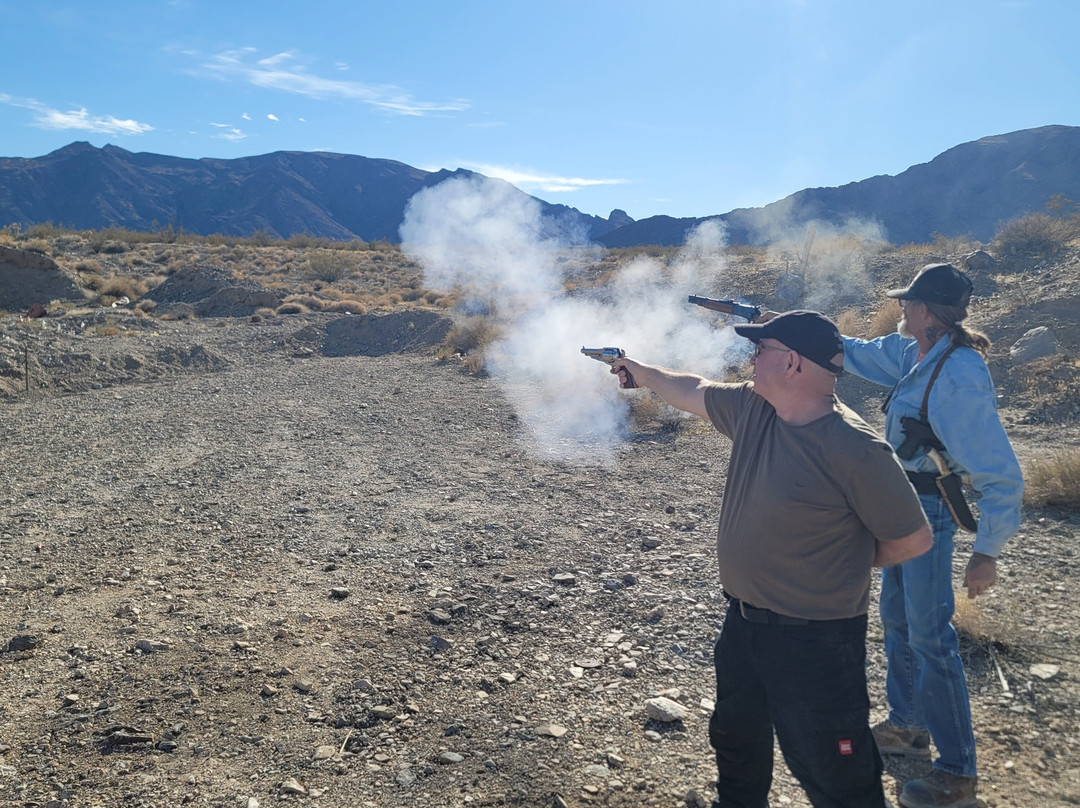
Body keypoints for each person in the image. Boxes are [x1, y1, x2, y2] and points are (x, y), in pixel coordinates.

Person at [609, 310, 933, 808]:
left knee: (836, 772)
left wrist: (837, 560)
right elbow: (691, 388)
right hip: (742, 623)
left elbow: (912, 539)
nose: (751, 359)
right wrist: (643, 372)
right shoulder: (754, 408)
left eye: (761, 350)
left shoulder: (857, 449)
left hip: (817, 641)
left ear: (793, 364)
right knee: (737, 741)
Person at [841, 264, 1024, 808]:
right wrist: (793, 328)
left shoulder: (959, 373)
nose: (900, 308)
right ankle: (908, 724)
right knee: (898, 619)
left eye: (907, 302)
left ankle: (957, 773)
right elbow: (855, 352)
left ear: (924, 311)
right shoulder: (915, 352)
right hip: (903, 504)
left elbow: (999, 473)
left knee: (930, 636)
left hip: (929, 510)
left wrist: (987, 550)